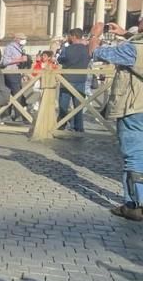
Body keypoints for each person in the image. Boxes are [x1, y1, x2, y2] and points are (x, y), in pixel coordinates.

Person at [88, 20, 143, 221]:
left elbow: (95, 53)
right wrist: (127, 34)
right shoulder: (132, 46)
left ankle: (136, 204)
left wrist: (94, 35)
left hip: (135, 107)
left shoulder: (131, 49)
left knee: (134, 155)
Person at [57, 28, 90, 132]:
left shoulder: (67, 49)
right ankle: (79, 127)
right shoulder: (87, 49)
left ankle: (61, 125)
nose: (68, 38)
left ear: (74, 36)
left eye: (69, 36)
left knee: (63, 105)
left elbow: (60, 59)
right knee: (78, 106)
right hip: (81, 79)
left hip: (67, 79)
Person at [0, 32, 29, 121]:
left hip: (17, 72)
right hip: (10, 72)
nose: (24, 41)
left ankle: (7, 114)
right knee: (17, 94)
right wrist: (20, 59)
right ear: (16, 39)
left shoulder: (20, 48)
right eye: (22, 39)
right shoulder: (10, 47)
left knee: (12, 94)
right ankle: (17, 115)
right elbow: (5, 61)